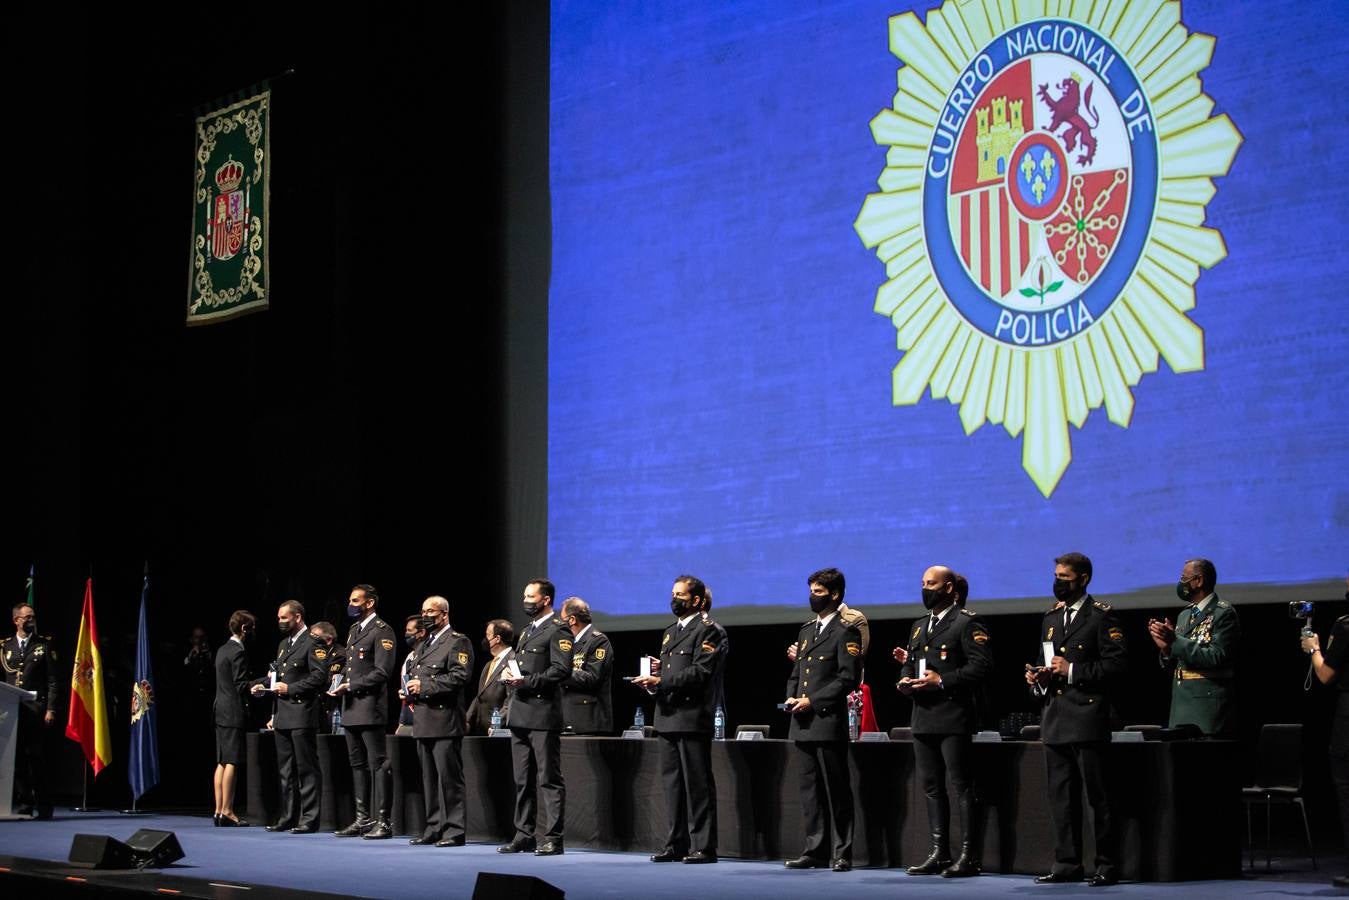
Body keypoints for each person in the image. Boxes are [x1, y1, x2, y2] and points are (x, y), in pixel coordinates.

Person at [1025, 552, 1126, 886]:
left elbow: (1116, 666)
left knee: (1098, 798)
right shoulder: (1050, 619)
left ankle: (1106, 865)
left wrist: (1074, 671)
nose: (1058, 582)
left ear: (1083, 579)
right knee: (1061, 799)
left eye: (1065, 577)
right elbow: (1048, 662)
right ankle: (1066, 863)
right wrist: (1040, 677)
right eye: (1055, 575)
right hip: (1055, 718)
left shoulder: (1101, 617)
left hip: (1087, 717)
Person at [894, 566, 992, 877]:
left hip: (953, 715)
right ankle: (939, 852)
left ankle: (968, 855)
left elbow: (981, 667)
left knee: (961, 787)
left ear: (949, 588)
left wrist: (943, 681)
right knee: (932, 787)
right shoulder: (920, 625)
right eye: (922, 583)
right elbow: (911, 663)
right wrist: (905, 680)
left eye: (931, 584)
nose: (925, 589)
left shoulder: (966, 621)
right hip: (922, 716)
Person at [633, 575, 725, 865]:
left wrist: (660, 680)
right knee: (672, 785)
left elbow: (700, 673)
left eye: (680, 594)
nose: (674, 598)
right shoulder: (671, 632)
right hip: (667, 716)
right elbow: (676, 670)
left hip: (692, 716)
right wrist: (655, 680)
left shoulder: (710, 631)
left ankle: (704, 847)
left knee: (697, 785)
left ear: (696, 600)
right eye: (672, 593)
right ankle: (675, 843)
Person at [783, 568, 862, 872]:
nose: (812, 596)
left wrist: (813, 701)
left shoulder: (846, 631)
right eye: (811, 590)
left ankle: (842, 852)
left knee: (837, 790)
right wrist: (791, 696)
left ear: (835, 595)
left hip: (827, 720)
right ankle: (815, 850)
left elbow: (848, 678)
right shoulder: (806, 631)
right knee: (810, 791)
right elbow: (797, 674)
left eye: (818, 591)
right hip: (801, 722)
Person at [499, 580, 570, 856]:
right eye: (524, 595)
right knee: (522, 779)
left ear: (546, 600)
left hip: (542, 714)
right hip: (520, 714)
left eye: (531, 596)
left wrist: (526, 682)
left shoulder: (558, 629)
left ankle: (553, 837)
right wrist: (511, 676)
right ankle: (524, 834)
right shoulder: (528, 630)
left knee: (548, 779)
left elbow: (561, 670)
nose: (526, 600)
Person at [249, 600, 327, 833]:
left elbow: (319, 677)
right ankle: (288, 816)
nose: (280, 622)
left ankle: (309, 818)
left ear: (298, 617)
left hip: (302, 713)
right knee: (285, 770)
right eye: (279, 618)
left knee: (306, 768)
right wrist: (261, 686)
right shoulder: (284, 644)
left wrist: (290, 689)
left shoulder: (314, 642)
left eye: (284, 617)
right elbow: (277, 675)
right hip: (282, 714)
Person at [405, 596, 473, 847]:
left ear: (444, 614)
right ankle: (433, 827)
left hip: (445, 719)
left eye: (430, 612)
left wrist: (425, 686)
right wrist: (411, 690)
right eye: (423, 611)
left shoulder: (457, 641)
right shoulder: (424, 644)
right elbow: (417, 676)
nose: (425, 616)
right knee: (428, 779)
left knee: (449, 779)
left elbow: (459, 677)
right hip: (423, 719)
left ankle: (454, 830)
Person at [329, 584, 396, 840]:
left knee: (378, 763)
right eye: (350, 599)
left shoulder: (382, 630)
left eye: (355, 600)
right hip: (350, 706)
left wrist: (352, 685)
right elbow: (349, 666)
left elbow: (382, 672)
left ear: (369, 603)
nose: (351, 604)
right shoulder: (354, 630)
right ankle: (362, 819)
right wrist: (338, 684)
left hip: (369, 705)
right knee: (356, 763)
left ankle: (384, 820)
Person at [1147, 558, 1239, 735]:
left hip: (1207, 709)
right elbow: (1180, 663)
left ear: (1199, 580)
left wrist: (1176, 641)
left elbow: (1216, 657)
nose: (1181, 583)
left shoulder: (1223, 613)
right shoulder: (1184, 614)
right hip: (1181, 706)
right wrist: (1166, 648)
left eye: (1184, 578)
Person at [2, 603, 58, 818]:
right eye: (26, 617)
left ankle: (44, 805)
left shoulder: (44, 645)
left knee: (37, 758)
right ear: (16, 620)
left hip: (35, 709)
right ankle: (25, 802)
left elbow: (52, 680)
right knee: (17, 759)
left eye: (33, 617)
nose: (30, 621)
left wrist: (51, 708)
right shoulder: (5, 647)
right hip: (12, 711)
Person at [213, 610, 255, 827]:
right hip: (233, 711)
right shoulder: (238, 651)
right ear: (244, 629)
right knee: (232, 760)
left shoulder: (222, 649)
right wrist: (256, 686)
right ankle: (228, 810)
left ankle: (219, 809)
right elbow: (240, 684)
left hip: (220, 709)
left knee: (221, 760)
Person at [560, 597, 613, 735]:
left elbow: (592, 677)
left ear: (572, 620)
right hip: (566, 719)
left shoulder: (598, 641)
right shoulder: (567, 643)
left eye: (562, 619)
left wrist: (561, 671)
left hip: (588, 721)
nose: (560, 624)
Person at [467, 619, 513, 735]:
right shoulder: (489, 665)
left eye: (488, 635)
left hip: (499, 731)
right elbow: (480, 696)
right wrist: (466, 720)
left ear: (497, 639)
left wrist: (496, 724)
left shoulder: (513, 661)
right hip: (482, 730)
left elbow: (511, 699)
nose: (485, 639)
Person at [308, 621, 344, 733]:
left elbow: (326, 679)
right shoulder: (310, 652)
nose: (312, 641)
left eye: (316, 638)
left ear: (328, 640)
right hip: (315, 706)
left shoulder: (341, 654)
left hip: (332, 706)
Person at [396, 615, 428, 737]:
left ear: (421, 633)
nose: (406, 634)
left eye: (409, 631)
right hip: (408, 717)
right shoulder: (409, 657)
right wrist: (401, 721)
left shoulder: (429, 656)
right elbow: (405, 690)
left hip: (425, 718)